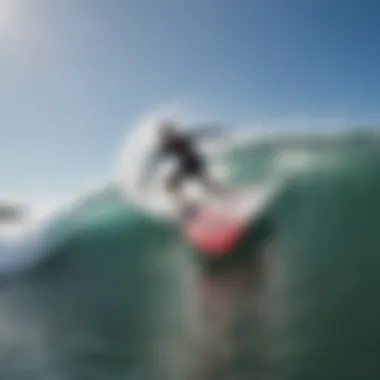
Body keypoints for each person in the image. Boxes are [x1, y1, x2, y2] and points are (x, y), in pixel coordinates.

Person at [140, 119, 223, 215]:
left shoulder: (183, 138)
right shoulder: (165, 146)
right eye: (163, 134)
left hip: (195, 163)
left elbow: (201, 133)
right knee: (170, 187)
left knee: (209, 186)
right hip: (185, 167)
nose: (165, 136)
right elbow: (154, 162)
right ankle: (189, 207)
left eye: (167, 132)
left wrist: (215, 131)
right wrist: (145, 179)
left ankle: (222, 195)